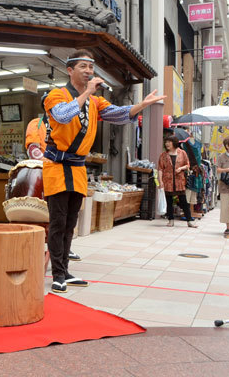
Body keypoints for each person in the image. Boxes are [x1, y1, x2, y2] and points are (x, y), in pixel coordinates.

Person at [42, 49, 165, 293]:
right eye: (83, 67)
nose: (89, 71)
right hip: (56, 166)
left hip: (77, 168)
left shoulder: (95, 101)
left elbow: (118, 115)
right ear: (70, 70)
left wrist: (142, 105)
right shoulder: (55, 95)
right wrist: (87, 92)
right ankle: (57, 274)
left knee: (70, 223)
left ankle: (65, 270)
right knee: (57, 222)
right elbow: (63, 117)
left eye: (91, 67)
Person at [25, 117, 80, 262]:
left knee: (67, 217)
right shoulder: (37, 123)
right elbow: (33, 149)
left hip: (66, 172)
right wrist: (51, 162)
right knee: (55, 216)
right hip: (46, 171)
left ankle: (63, 248)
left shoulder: (69, 122)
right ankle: (56, 251)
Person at [157, 135, 198, 229]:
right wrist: (160, 181)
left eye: (169, 142)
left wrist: (180, 168)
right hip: (167, 180)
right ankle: (170, 220)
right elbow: (160, 168)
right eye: (166, 142)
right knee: (169, 201)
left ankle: (189, 221)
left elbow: (188, 165)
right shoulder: (163, 155)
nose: (167, 144)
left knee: (183, 200)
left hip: (179, 180)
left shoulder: (182, 153)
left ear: (174, 143)